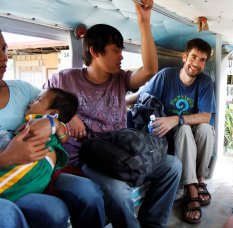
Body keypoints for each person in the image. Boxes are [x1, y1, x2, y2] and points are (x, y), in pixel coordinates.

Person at [44, 0, 182, 227]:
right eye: (116, 50)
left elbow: (149, 69)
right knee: (118, 193)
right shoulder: (64, 79)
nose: (121, 56)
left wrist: (144, 22)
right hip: (88, 159)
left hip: (120, 153)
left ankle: (152, 223)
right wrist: (68, 115)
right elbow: (41, 107)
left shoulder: (121, 80)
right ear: (95, 51)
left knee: (173, 167)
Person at [0, 30, 105, 228]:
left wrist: (55, 125)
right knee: (10, 215)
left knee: (87, 192)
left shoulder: (22, 89)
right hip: (10, 171)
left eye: (4, 49)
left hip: (38, 172)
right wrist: (8, 157)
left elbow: (58, 112)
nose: (4, 56)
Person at [137, 38, 216, 224]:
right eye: (194, 57)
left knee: (205, 128)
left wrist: (176, 119)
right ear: (184, 57)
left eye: (202, 60)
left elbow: (206, 116)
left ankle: (200, 179)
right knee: (183, 130)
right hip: (170, 135)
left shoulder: (205, 82)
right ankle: (191, 189)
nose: (196, 64)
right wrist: (119, 100)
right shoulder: (166, 76)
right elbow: (142, 97)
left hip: (189, 131)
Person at [0, 88, 78, 202]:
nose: (31, 101)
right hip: (39, 176)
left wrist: (52, 122)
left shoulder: (40, 121)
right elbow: (64, 136)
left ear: (52, 113)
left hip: (30, 165)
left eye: (38, 99)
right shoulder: (55, 126)